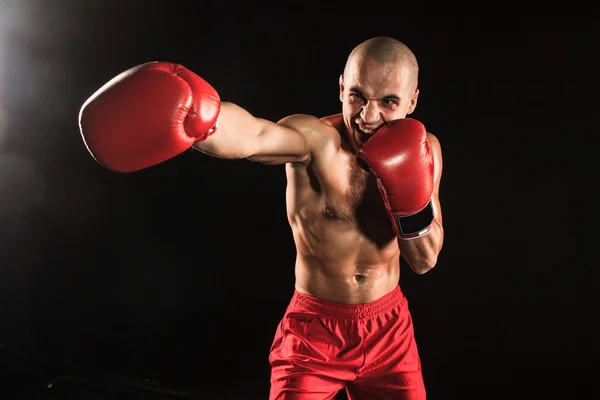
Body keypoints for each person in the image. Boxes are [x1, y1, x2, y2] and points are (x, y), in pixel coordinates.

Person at [78, 36, 444, 400]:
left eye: (388, 102)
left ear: (412, 101)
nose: (367, 116)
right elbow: (255, 134)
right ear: (341, 87)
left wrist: (409, 192)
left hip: (389, 331)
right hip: (316, 331)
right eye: (357, 96)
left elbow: (424, 260)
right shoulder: (317, 140)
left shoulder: (427, 151)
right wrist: (203, 120)